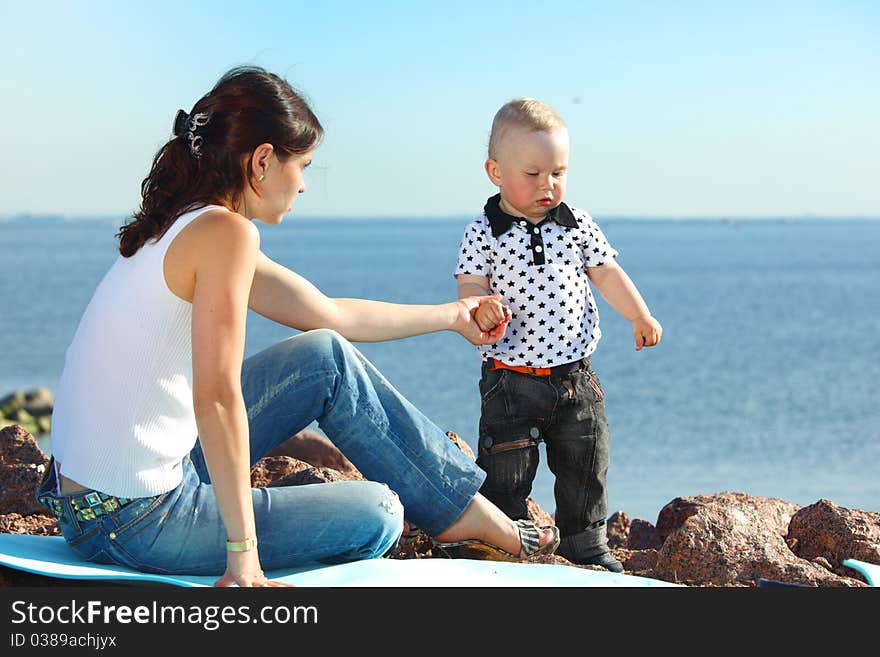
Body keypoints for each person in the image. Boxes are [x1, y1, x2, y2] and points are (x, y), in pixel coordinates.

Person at [35, 67, 559, 588]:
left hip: (89, 501)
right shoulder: (226, 235)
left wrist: (451, 316)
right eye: (303, 165)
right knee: (380, 512)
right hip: (135, 521)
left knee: (322, 357)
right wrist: (243, 559)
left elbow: (330, 314)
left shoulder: (187, 224)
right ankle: (453, 514)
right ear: (263, 161)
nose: (304, 184)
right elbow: (216, 397)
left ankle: (456, 511)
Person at [454, 98, 663, 572]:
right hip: (511, 379)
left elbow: (607, 273)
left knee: (586, 462)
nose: (548, 185)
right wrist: (479, 307)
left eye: (558, 172)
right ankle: (501, 536)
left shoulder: (576, 223)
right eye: (533, 173)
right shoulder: (484, 231)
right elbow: (469, 283)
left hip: (575, 377)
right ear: (495, 172)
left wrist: (639, 315)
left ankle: (585, 544)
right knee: (507, 468)